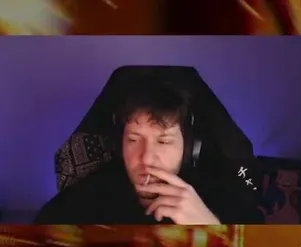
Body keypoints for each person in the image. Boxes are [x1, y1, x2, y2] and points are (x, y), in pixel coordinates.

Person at [34, 79, 260, 225]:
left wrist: (209, 226)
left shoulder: (226, 199)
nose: (146, 157)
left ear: (189, 148)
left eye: (163, 141)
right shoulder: (83, 200)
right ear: (120, 144)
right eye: (133, 139)